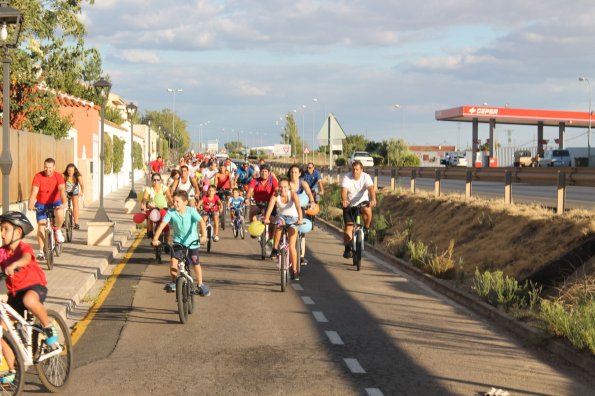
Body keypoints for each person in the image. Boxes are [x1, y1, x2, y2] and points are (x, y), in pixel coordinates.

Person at [0, 211, 58, 384]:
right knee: (1, 330)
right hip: (14, 295)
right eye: (1, 229)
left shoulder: (23, 248)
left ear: (18, 232)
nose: (2, 233)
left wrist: (15, 264)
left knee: (29, 301)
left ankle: (48, 327)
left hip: (34, 287)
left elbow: (26, 258)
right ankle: (12, 369)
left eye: (5, 229)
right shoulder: (2, 252)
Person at [152, 191, 210, 296]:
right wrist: (155, 238)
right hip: (178, 243)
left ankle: (200, 284)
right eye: (174, 201)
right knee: (173, 261)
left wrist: (204, 236)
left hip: (192, 243)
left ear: (185, 202)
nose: (175, 204)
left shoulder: (191, 211)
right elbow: (162, 225)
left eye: (178, 201)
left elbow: (201, 222)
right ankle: (174, 282)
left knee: (195, 263)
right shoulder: (171, 212)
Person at [263, 178, 303, 280]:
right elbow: (270, 207)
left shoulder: (293, 194)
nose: (282, 189)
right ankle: (275, 249)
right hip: (281, 217)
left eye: (285, 187)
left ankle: (294, 270)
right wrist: (267, 218)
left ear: (288, 187)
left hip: (293, 218)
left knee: (292, 246)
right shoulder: (275, 196)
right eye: (280, 187)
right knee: (279, 225)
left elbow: (298, 207)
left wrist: (300, 219)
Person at [28, 158, 67, 261]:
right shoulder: (38, 176)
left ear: (54, 167)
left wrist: (63, 203)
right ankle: (41, 251)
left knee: (59, 212)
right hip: (41, 204)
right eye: (46, 167)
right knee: (41, 226)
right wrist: (31, 204)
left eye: (50, 167)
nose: (47, 169)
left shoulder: (58, 176)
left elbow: (62, 190)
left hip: (55, 202)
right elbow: (33, 193)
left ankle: (58, 230)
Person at [341, 160, 376, 259]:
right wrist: (344, 200)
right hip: (349, 203)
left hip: (362, 202)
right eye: (353, 169)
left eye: (357, 169)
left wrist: (373, 199)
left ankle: (367, 228)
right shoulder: (347, 177)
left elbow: (371, 189)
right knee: (348, 227)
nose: (354, 171)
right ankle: (347, 249)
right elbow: (343, 191)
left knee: (367, 209)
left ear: (361, 170)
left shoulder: (366, 177)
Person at [287, 165, 315, 266]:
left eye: (295, 172)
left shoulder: (303, 183)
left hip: (300, 208)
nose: (293, 174)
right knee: (287, 229)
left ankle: (301, 256)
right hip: (289, 209)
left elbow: (309, 194)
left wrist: (312, 202)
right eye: (291, 172)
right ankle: (285, 250)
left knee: (302, 232)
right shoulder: (287, 184)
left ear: (299, 174)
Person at [140, 173, 171, 239]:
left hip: (163, 208)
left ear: (161, 181)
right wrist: (143, 205)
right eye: (154, 180)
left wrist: (173, 203)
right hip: (152, 208)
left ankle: (166, 241)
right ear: (152, 181)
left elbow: (169, 196)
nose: (156, 181)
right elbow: (144, 198)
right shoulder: (148, 189)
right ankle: (150, 232)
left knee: (166, 223)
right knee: (150, 216)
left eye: (158, 180)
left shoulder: (164, 188)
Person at [63, 163, 84, 230]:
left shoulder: (77, 176)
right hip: (66, 191)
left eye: (72, 170)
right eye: (69, 170)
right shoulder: (64, 175)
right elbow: (60, 184)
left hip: (75, 191)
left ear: (74, 170)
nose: (70, 172)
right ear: (67, 170)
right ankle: (63, 220)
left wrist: (82, 192)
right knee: (62, 204)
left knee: (75, 204)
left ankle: (76, 223)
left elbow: (82, 184)